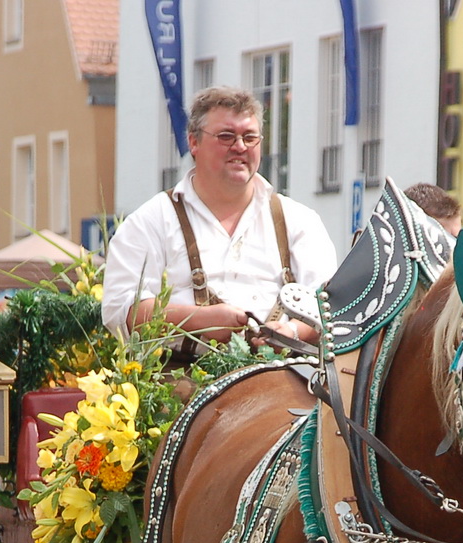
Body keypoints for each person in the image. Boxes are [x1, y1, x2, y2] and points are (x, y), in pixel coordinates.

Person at [102, 86, 337, 348]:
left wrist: (290, 331)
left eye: (250, 137)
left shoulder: (299, 221)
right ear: (194, 142)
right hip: (182, 372)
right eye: (226, 136)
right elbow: (120, 309)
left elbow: (330, 306)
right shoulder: (151, 221)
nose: (240, 146)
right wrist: (200, 319)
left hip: (286, 368)